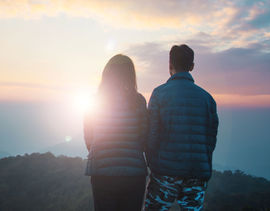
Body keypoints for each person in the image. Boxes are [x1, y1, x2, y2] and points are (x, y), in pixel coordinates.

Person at [144, 44, 219, 211]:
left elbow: (152, 134)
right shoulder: (208, 99)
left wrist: (152, 162)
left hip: (164, 172)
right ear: (192, 66)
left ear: (170, 65)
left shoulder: (159, 94)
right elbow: (211, 139)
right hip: (197, 173)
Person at [84, 54, 148, 211]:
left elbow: (89, 139)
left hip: (102, 173)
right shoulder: (139, 101)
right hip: (133, 174)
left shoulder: (95, 100)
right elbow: (144, 137)